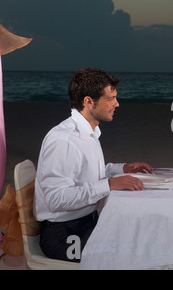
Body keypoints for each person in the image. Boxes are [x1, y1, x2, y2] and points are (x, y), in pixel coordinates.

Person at [34, 67, 154, 262]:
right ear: (88, 101)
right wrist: (108, 185)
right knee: (131, 256)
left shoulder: (87, 132)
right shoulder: (63, 140)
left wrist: (120, 169)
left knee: (143, 238)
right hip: (64, 237)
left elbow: (84, 173)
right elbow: (55, 199)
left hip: (86, 225)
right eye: (111, 98)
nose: (117, 103)